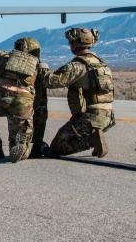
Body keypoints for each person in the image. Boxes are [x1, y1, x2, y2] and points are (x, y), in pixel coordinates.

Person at [41, 27, 115, 158]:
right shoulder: (101, 63)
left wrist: (43, 70)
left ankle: (92, 140)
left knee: (57, 147)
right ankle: (95, 139)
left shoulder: (77, 66)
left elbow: (51, 82)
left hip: (88, 119)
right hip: (108, 118)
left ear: (73, 44)